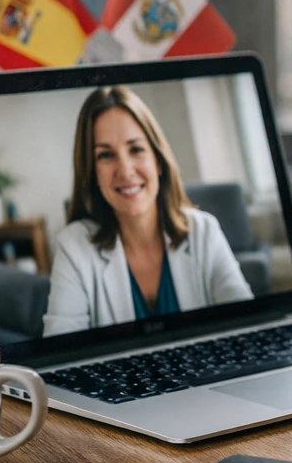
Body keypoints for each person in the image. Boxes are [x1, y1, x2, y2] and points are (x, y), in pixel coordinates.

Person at [43, 85, 254, 337]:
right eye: (106, 155)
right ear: (92, 173)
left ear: (158, 160)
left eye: (136, 149)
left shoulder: (203, 231)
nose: (125, 171)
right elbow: (62, 344)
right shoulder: (73, 247)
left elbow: (247, 327)